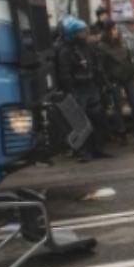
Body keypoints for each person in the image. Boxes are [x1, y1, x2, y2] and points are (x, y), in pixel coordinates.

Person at [55, 15, 112, 161]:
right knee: (80, 122)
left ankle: (98, 148)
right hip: (78, 90)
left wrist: (104, 84)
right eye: (81, 31)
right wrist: (71, 90)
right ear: (73, 34)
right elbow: (64, 74)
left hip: (91, 87)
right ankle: (83, 152)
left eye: (85, 31)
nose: (85, 34)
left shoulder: (88, 48)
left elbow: (97, 67)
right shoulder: (65, 51)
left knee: (97, 119)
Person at [96, 22, 134, 144]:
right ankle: (121, 132)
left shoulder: (121, 44)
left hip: (127, 76)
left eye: (117, 29)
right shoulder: (102, 47)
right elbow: (102, 67)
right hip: (114, 79)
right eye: (114, 29)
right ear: (108, 31)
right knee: (117, 107)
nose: (116, 31)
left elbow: (129, 61)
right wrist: (106, 82)